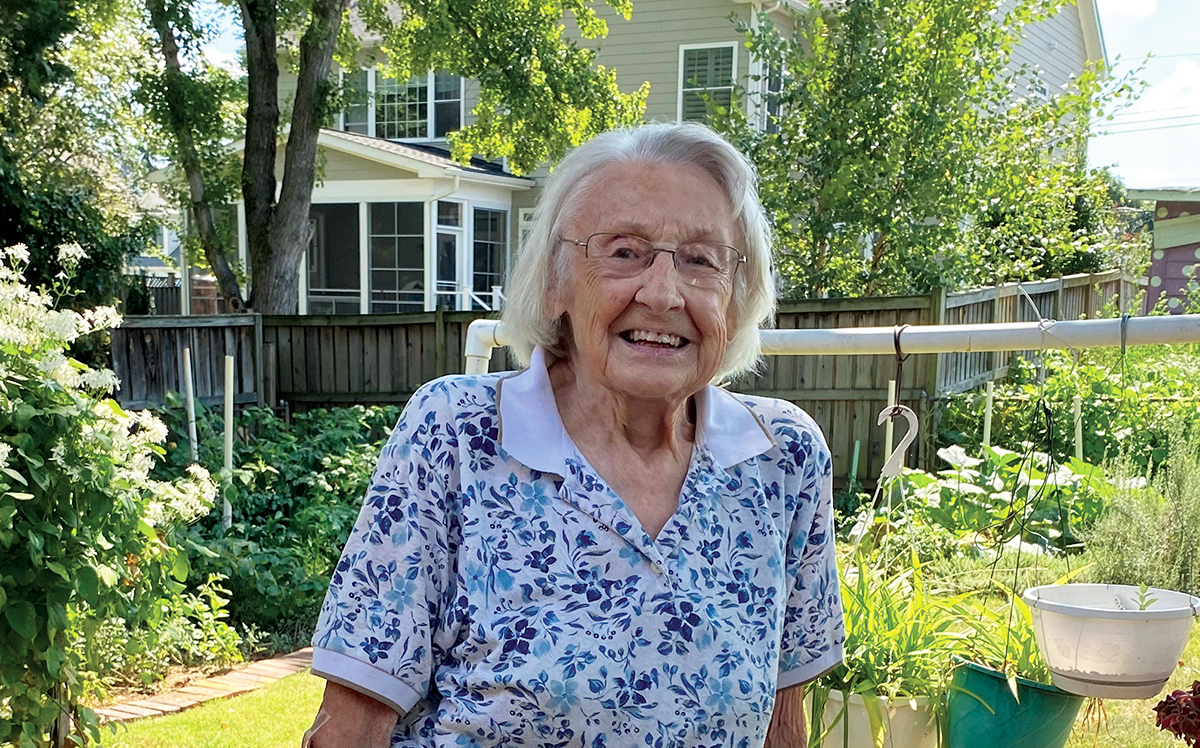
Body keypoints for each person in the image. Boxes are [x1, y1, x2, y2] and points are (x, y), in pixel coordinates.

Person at [305, 122, 844, 748]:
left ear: (736, 294)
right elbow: (350, 727)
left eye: (701, 260)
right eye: (624, 252)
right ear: (557, 279)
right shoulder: (458, 432)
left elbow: (782, 725)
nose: (663, 293)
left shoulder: (782, 458)